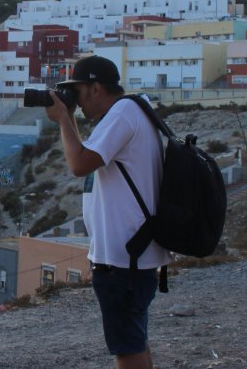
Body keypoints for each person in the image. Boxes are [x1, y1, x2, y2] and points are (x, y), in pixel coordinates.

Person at [44, 55, 170, 369]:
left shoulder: (124, 113)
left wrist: (62, 119)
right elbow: (87, 153)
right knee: (133, 339)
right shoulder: (134, 110)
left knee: (127, 347)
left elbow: (79, 164)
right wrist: (69, 117)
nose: (80, 103)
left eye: (80, 92)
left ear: (96, 88)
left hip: (123, 259)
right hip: (132, 254)